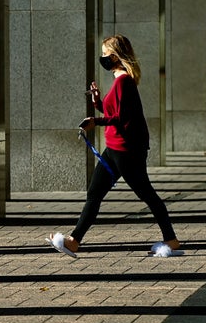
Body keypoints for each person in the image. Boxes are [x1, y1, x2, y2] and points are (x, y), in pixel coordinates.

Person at [47, 34, 181, 258]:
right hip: (115, 148)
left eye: (105, 54)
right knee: (95, 193)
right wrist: (97, 102)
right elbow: (113, 112)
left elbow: (120, 118)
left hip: (127, 151)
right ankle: (73, 241)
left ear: (116, 56)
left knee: (147, 194)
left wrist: (94, 122)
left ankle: (171, 240)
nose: (102, 58)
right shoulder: (120, 80)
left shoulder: (124, 81)